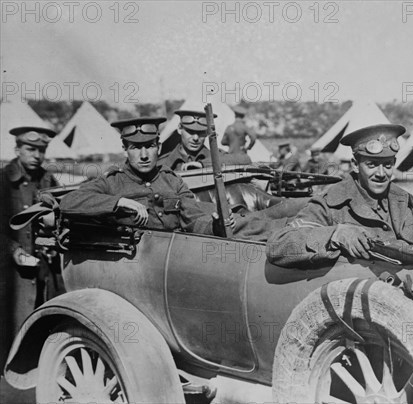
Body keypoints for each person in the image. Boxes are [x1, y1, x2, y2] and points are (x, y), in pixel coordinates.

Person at [267, 124, 413, 268]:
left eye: (387, 165)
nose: (381, 174)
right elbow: (277, 246)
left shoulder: (403, 200)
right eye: (372, 165)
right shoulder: (332, 202)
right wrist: (334, 234)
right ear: (355, 165)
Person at [60, 117, 216, 234]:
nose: (144, 155)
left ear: (159, 148)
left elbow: (193, 218)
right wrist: (119, 201)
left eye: (150, 146)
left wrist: (214, 226)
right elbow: (69, 201)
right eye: (135, 148)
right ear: (124, 149)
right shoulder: (112, 182)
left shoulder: (172, 180)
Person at [0, 126, 64, 367]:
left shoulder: (49, 180)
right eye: (31, 149)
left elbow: (58, 218)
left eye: (42, 150)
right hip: (11, 275)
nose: (37, 155)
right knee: (9, 331)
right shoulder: (3, 181)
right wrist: (14, 251)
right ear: (17, 149)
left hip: (44, 272)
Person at [158, 110, 251, 171]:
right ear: (179, 129)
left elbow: (245, 159)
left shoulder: (215, 156)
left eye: (201, 133)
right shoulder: (164, 163)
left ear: (207, 132)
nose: (195, 138)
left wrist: (203, 164)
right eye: (190, 131)